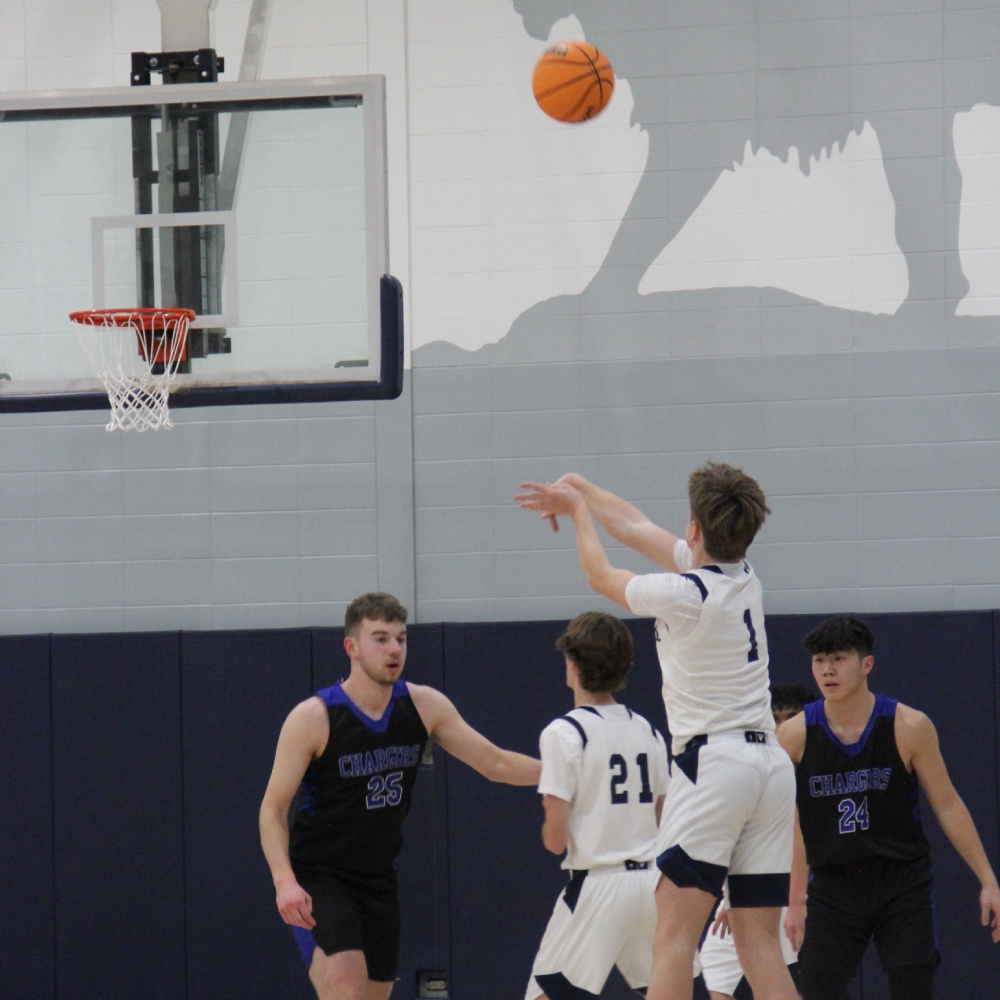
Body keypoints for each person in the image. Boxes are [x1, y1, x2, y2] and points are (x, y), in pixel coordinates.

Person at [517, 464, 798, 1000]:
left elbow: (601, 576)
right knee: (760, 944)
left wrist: (577, 512)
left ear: (693, 529)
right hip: (770, 767)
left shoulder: (684, 594)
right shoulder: (746, 577)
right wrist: (583, 487)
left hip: (716, 765)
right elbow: (635, 528)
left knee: (672, 936)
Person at [259, 591, 542, 1000]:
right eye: (380, 638)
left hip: (378, 881)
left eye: (401, 638)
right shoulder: (313, 717)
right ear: (351, 647)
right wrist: (284, 882)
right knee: (346, 990)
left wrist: (565, 774)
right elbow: (272, 810)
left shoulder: (424, 705)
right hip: (320, 878)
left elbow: (494, 763)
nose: (394, 648)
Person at [777, 615, 1000, 1000]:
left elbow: (947, 804)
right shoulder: (794, 735)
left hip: (900, 880)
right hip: (833, 883)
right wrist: (794, 899)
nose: (827, 670)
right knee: (818, 987)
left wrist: (988, 878)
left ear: (867, 664)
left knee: (913, 984)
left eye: (838, 659)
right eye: (819, 660)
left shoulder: (909, 726)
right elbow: (791, 822)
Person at [527, 611, 669, 1000]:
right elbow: (665, 819)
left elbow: (555, 841)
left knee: (544, 995)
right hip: (651, 883)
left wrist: (552, 805)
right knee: (669, 990)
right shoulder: (648, 730)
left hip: (599, 883)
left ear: (572, 664)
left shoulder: (563, 733)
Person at [698, 682, 816, 1000]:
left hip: (795, 892)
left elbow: (798, 841)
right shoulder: (760, 768)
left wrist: (795, 903)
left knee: (766, 971)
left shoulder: (808, 774)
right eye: (775, 719)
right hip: (759, 886)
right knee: (719, 966)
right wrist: (735, 897)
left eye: (791, 718)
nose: (781, 728)